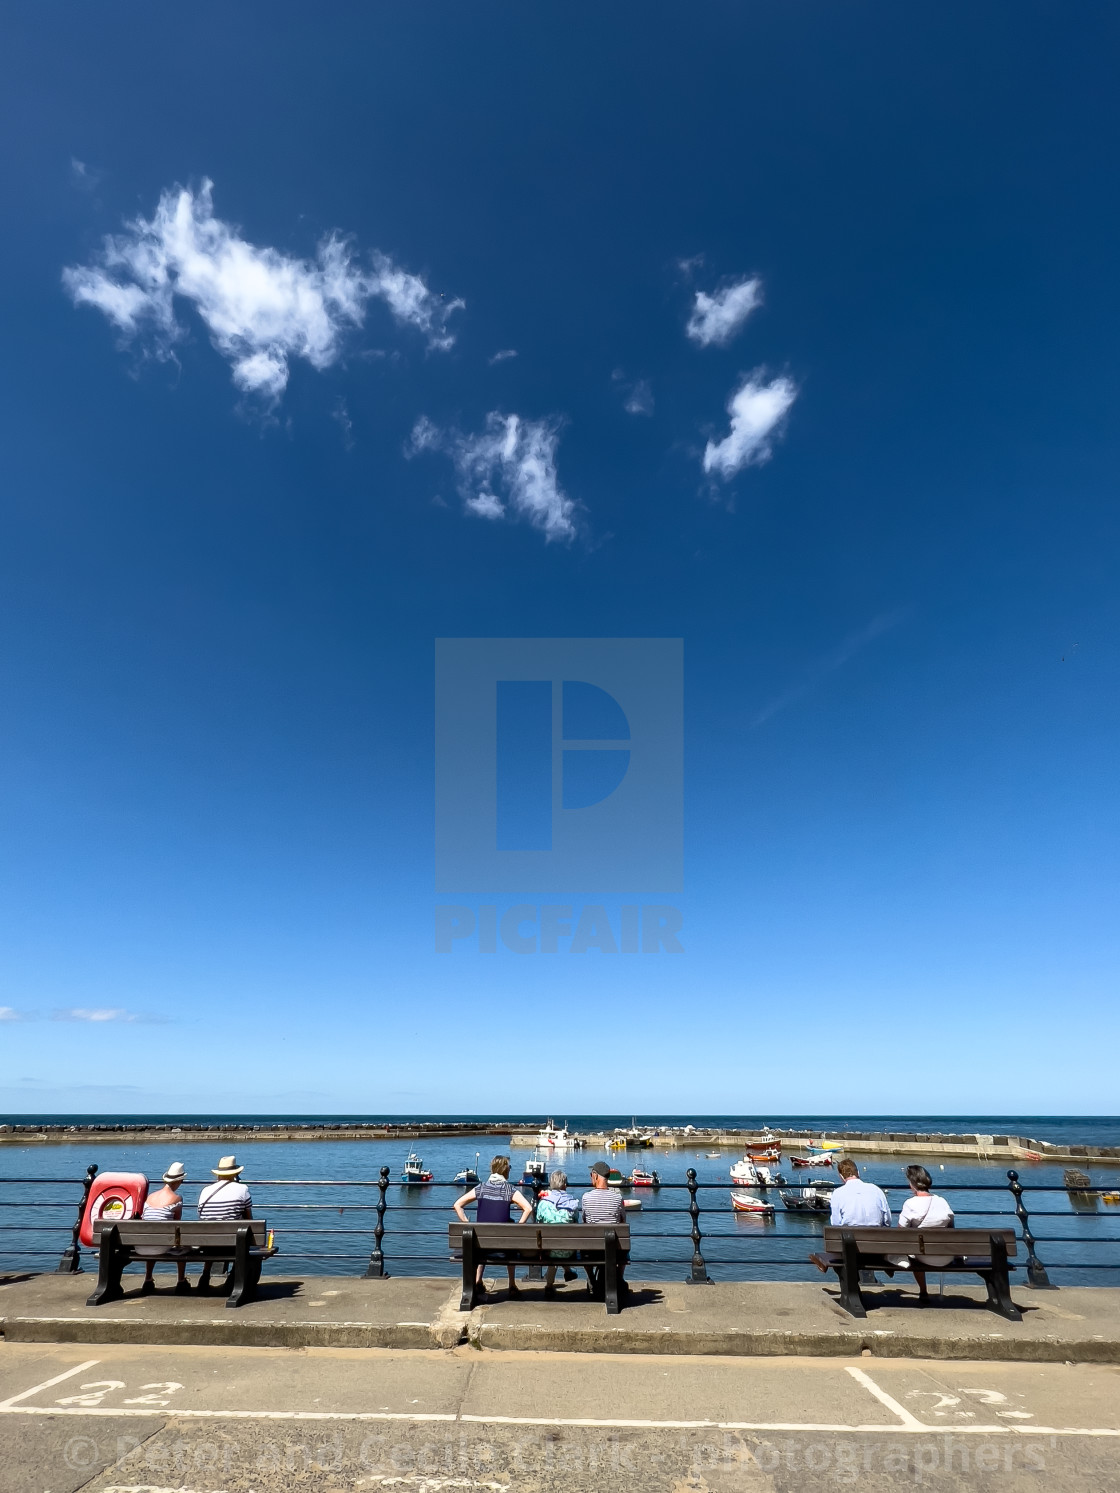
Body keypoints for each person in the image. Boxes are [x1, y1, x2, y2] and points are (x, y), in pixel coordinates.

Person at [453, 1155, 533, 1297]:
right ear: (505, 1170)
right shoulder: (510, 1190)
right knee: (510, 1235)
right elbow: (528, 1208)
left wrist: (467, 1223)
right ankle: (512, 1285)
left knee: (480, 1237)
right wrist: (518, 1227)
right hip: (504, 1249)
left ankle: (478, 1281)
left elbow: (457, 1205)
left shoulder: (481, 1188)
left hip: (481, 1248)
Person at [809, 1158, 890, 1276]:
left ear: (841, 1177)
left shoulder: (838, 1193)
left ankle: (848, 1283)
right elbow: (887, 1220)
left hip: (851, 1251)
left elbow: (835, 1224)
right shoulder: (876, 1190)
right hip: (876, 1249)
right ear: (858, 1173)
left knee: (839, 1244)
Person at [892, 1164, 955, 1304]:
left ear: (912, 1184)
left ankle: (923, 1291)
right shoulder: (942, 1201)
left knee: (916, 1250)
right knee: (919, 1248)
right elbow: (952, 1230)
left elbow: (899, 1233)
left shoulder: (910, 1204)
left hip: (923, 1257)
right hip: (946, 1257)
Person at [196, 1155, 252, 1291]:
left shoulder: (205, 1191)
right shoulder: (242, 1189)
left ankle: (205, 1275)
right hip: (231, 1244)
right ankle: (233, 1278)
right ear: (236, 1174)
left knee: (211, 1232)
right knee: (242, 1238)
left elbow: (201, 1215)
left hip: (208, 1243)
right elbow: (249, 1220)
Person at [580, 1161, 628, 1298]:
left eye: (591, 1175)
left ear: (595, 1176)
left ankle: (591, 1278)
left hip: (593, 1251)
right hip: (614, 1250)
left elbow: (584, 1222)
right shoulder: (618, 1198)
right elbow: (623, 1222)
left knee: (584, 1246)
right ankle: (619, 1277)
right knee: (624, 1245)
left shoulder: (586, 1198)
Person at [140, 1161, 188, 1293]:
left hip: (143, 1244)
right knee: (181, 1243)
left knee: (153, 1237)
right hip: (162, 1245)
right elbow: (177, 1225)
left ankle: (148, 1279)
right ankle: (181, 1281)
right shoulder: (177, 1198)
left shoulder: (150, 1197)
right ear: (179, 1181)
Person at [536, 1169, 580, 1291]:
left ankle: (549, 1285)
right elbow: (576, 1224)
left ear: (551, 1184)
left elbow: (538, 1223)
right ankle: (567, 1271)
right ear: (565, 1185)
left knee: (553, 1244)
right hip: (569, 1250)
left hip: (548, 1249)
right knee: (561, 1243)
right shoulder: (573, 1203)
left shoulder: (543, 1203)